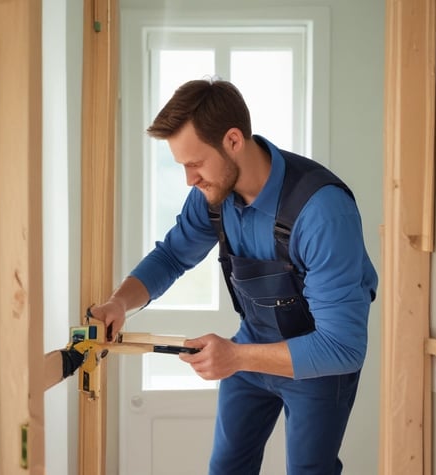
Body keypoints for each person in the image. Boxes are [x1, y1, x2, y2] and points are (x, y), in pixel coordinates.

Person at [88, 78, 378, 475]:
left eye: (195, 163)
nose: (189, 179)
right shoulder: (214, 196)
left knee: (310, 470)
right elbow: (173, 256)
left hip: (316, 361)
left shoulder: (322, 212)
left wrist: (236, 356)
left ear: (234, 141)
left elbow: (343, 346)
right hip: (253, 346)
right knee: (226, 468)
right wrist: (120, 302)